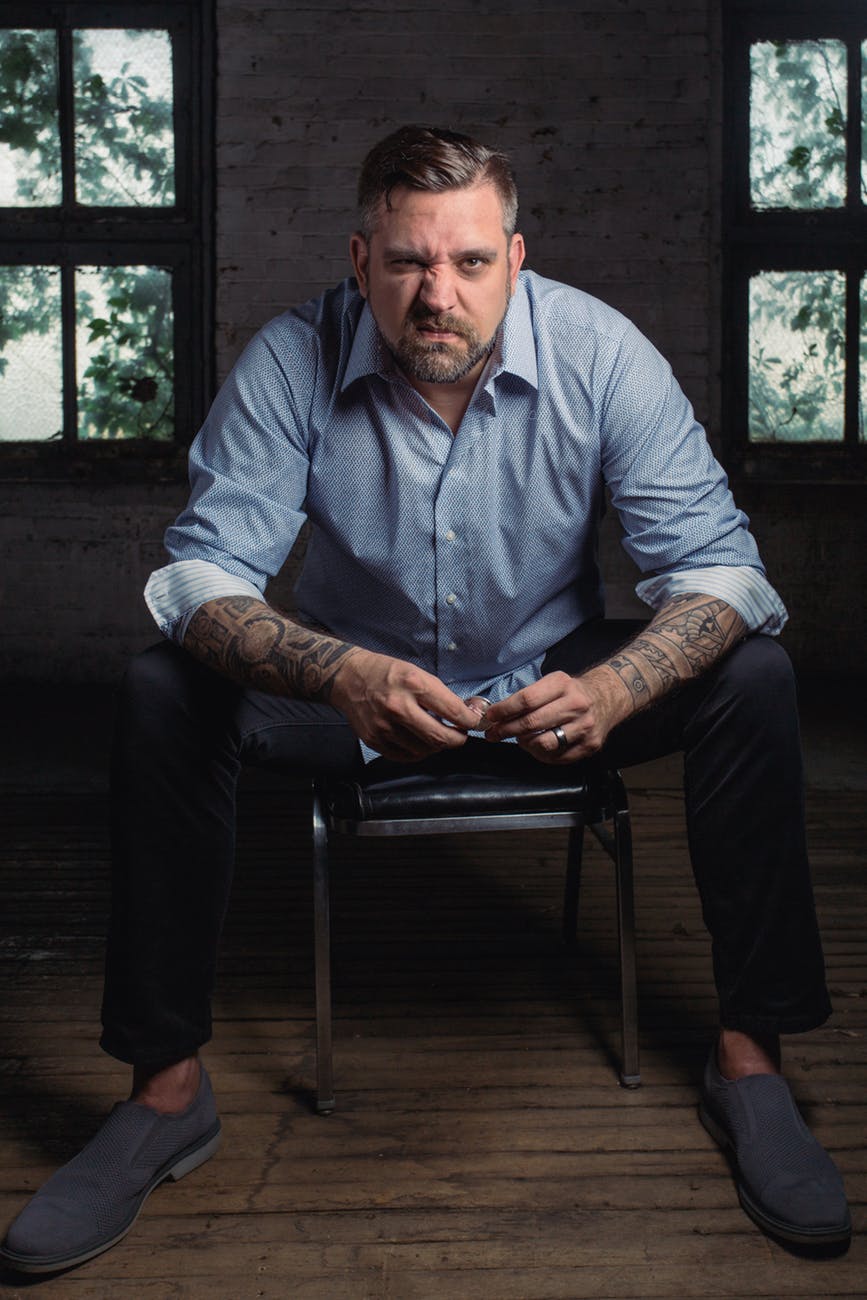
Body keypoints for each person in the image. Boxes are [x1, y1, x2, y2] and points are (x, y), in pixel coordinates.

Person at [1, 125, 850, 1274]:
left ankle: (752, 1063)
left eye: (467, 263)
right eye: (406, 263)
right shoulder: (294, 358)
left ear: (516, 256)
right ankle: (165, 1093)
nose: (435, 295)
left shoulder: (602, 355)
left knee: (753, 671)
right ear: (360, 262)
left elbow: (724, 570)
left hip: (551, 680)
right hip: (354, 689)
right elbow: (198, 579)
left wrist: (618, 681)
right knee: (164, 689)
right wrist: (337, 671)